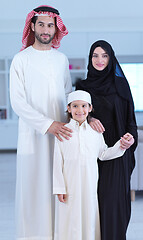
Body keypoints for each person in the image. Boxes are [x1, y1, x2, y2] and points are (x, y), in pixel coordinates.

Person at [9, 5, 72, 240]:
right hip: (32, 137)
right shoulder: (21, 60)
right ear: (33, 26)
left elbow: (67, 96)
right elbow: (18, 102)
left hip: (61, 137)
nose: (46, 30)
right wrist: (48, 125)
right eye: (42, 24)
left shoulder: (61, 59)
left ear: (56, 29)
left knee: (59, 188)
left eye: (50, 25)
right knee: (33, 190)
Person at [76, 40, 138, 240]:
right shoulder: (83, 87)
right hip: (90, 154)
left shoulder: (121, 85)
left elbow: (130, 120)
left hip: (117, 152)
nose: (100, 60)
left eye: (104, 55)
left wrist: (130, 139)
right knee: (93, 205)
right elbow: (75, 114)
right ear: (90, 58)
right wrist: (91, 118)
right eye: (95, 55)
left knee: (113, 204)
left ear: (111, 58)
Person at [53, 90, 134, 240]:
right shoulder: (63, 132)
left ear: (90, 108)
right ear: (69, 109)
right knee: (69, 219)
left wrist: (121, 145)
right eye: (75, 106)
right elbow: (57, 161)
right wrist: (59, 188)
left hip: (90, 185)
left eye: (84, 106)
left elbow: (103, 154)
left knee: (89, 217)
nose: (80, 110)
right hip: (70, 186)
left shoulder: (95, 132)